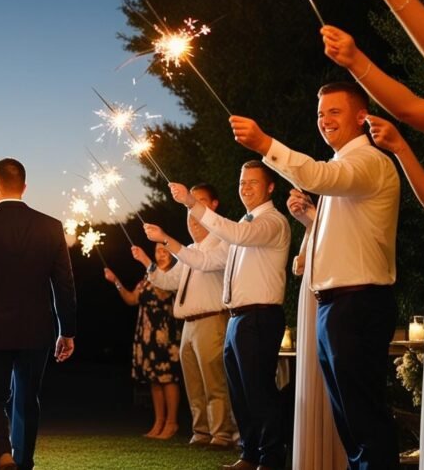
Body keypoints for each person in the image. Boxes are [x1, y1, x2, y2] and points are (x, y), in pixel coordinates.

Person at [230, 82, 401, 468]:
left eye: (334, 112)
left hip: (358, 303)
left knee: (364, 419)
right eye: (320, 114)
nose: (324, 121)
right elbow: (347, 233)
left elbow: (319, 176)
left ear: (361, 116)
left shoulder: (369, 162)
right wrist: (310, 220)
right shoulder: (345, 172)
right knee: (349, 420)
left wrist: (264, 145)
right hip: (334, 307)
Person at [322, 15, 424, 468]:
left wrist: (357, 59)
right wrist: (403, 148)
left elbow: (404, 105)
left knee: (363, 407)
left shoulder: (362, 162)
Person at [167, 161, 290, 470]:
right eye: (242, 183)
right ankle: (249, 455)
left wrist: (192, 204)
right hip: (237, 318)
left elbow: (236, 234)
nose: (245, 187)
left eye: (253, 182)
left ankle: (271, 458)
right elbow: (206, 259)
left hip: (260, 316)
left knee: (259, 391)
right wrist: (169, 243)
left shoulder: (272, 221)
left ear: (270, 187)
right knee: (239, 393)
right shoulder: (242, 225)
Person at [0, 158, 77, 470]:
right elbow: (65, 284)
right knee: (27, 398)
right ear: (25, 187)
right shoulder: (51, 226)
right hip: (37, 329)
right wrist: (67, 331)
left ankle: (1, 457)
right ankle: (24, 462)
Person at [132, 183, 238, 449]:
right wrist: (147, 262)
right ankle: (201, 430)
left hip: (212, 320)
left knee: (215, 382)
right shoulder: (189, 248)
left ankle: (223, 433)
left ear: (213, 207)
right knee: (194, 384)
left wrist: (166, 239)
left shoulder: (223, 243)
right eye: (188, 205)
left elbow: (202, 262)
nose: (192, 211)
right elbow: (169, 282)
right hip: (188, 326)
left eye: (198, 202)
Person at [285, 190, 347, 470]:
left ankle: (334, 456)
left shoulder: (337, 218)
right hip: (309, 296)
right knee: (311, 370)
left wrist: (311, 218)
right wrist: (307, 222)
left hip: (330, 294)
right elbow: (299, 265)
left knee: (331, 377)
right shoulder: (314, 224)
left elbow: (340, 249)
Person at [104, 244, 182, 440]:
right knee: (154, 380)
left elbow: (164, 292)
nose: (161, 254)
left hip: (166, 336)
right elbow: (131, 299)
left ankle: (172, 423)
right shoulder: (147, 279)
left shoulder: (172, 277)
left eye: (165, 251)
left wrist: (145, 259)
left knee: (168, 378)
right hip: (146, 336)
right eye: (158, 251)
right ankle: (158, 422)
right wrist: (116, 282)